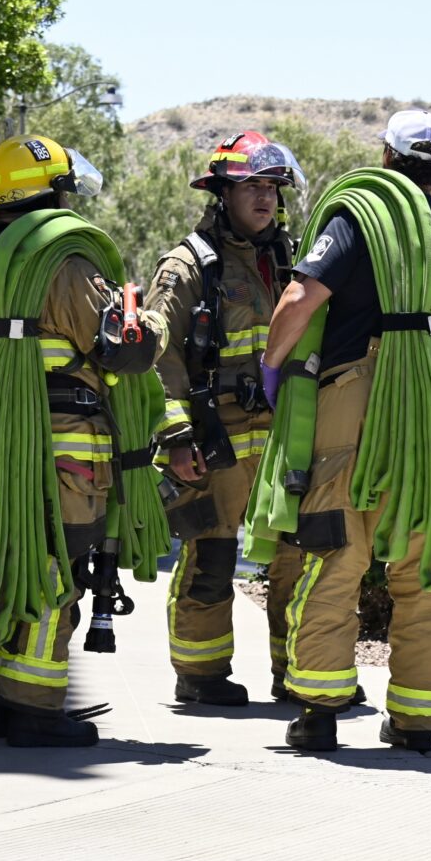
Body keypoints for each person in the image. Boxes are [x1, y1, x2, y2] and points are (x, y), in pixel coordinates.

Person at [259, 109, 431, 752]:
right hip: (424, 408)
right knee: (423, 567)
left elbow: (299, 300)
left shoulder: (358, 218)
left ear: (386, 158)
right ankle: (420, 721)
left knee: (335, 552)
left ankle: (319, 712)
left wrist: (272, 369)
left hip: (352, 399)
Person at [0, 134, 167, 748]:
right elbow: (123, 349)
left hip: (1, 443)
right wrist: (151, 318)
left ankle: (0, 697)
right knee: (54, 566)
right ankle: (36, 709)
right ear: (52, 193)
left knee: (13, 560)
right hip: (64, 445)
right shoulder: (61, 263)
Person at [145, 131, 338, 707]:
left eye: (272, 188)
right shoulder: (187, 266)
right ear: (222, 193)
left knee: (295, 555)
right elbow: (159, 358)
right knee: (211, 557)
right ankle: (200, 675)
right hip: (216, 440)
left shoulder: (294, 261)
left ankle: (294, 672)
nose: (264, 198)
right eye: (251, 186)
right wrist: (176, 436)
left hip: (282, 438)